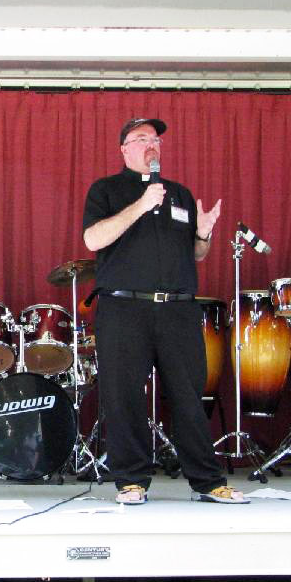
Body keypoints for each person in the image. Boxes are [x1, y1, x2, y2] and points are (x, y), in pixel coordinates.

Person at [82, 117, 247, 505]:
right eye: (141, 138)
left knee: (189, 397)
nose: (151, 144)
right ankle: (131, 481)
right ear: (124, 149)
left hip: (177, 311)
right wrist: (142, 205)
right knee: (124, 397)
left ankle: (208, 482)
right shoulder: (106, 190)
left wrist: (203, 233)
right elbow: (93, 238)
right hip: (124, 308)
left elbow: (196, 254)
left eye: (155, 139)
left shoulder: (180, 195)